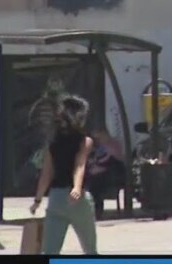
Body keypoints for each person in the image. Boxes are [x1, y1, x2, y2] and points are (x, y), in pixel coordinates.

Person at [29, 95, 97, 255]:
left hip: (56, 198)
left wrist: (37, 200)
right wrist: (77, 187)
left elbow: (46, 173)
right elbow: (80, 165)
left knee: (50, 251)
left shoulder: (53, 142)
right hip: (79, 200)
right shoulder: (85, 141)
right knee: (90, 250)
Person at [87, 127, 126, 218]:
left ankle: (97, 210)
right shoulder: (101, 146)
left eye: (99, 137)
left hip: (113, 174)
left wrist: (96, 165)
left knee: (95, 184)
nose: (98, 140)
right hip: (104, 173)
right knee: (92, 181)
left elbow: (107, 160)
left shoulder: (112, 145)